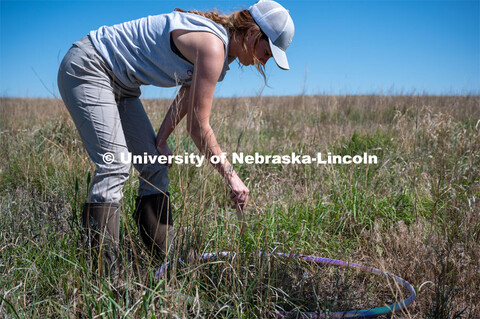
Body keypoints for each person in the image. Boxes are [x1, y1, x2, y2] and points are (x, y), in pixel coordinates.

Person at [57, 0, 294, 275]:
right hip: (90, 65)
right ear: (253, 32)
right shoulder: (213, 45)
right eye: (267, 52)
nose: (264, 61)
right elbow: (198, 126)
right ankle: (103, 278)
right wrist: (231, 176)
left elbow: (186, 98)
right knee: (115, 165)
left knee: (155, 165)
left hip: (122, 85)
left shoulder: (221, 54)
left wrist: (160, 141)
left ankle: (163, 265)